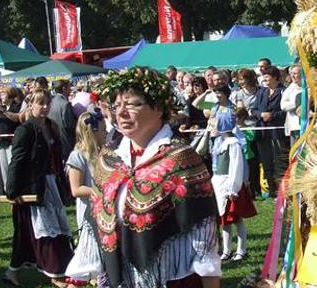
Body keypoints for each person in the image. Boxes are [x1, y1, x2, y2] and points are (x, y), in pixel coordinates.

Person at [92, 67, 220, 288]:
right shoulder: (110, 158)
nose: (121, 113)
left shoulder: (181, 159)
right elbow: (96, 218)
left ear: (159, 108)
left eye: (132, 104)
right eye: (116, 105)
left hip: (173, 277)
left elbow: (204, 231)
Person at [4, 88, 73, 287]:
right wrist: (13, 190)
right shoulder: (25, 129)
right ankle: (56, 272)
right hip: (33, 186)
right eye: (40, 103)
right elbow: (17, 160)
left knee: (41, 231)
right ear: (31, 105)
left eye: (47, 103)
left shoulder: (51, 126)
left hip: (50, 183)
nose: (44, 107)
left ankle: (12, 273)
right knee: (40, 230)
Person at [64, 110, 106, 286]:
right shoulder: (78, 156)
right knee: (85, 262)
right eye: (103, 131)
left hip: (103, 212)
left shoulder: (101, 153)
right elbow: (76, 189)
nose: (105, 134)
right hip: (89, 216)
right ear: (92, 132)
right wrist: (99, 191)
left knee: (101, 261)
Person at [211, 110, 256, 262]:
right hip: (220, 185)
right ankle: (226, 249)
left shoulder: (233, 144)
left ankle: (241, 250)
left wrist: (233, 188)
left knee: (236, 219)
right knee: (224, 220)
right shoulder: (222, 143)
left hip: (230, 186)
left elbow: (236, 167)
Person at [253, 65, 288, 197]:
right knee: (266, 162)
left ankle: (282, 190)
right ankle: (271, 191)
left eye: (267, 76)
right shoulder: (261, 92)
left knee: (280, 162)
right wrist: (261, 115)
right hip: (263, 133)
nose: (265, 79)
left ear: (275, 77)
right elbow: (254, 110)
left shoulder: (283, 91)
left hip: (277, 133)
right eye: (264, 76)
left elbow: (284, 112)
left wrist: (272, 116)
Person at [231, 68, 262, 198]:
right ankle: (251, 189)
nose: (241, 82)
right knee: (248, 161)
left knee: (258, 159)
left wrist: (254, 112)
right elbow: (240, 110)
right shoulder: (239, 94)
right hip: (245, 128)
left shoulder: (260, 91)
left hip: (259, 126)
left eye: (243, 79)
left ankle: (260, 188)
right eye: (240, 80)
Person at [49, 79, 78, 160]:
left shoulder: (51, 102)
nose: (70, 89)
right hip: (65, 143)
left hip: (55, 142)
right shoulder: (65, 104)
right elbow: (70, 126)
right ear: (64, 88)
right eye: (69, 87)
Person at [281, 64, 303, 145]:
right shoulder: (290, 89)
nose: (293, 76)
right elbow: (283, 106)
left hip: (309, 126)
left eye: (295, 73)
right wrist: (297, 103)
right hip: (295, 127)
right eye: (291, 73)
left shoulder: (309, 87)